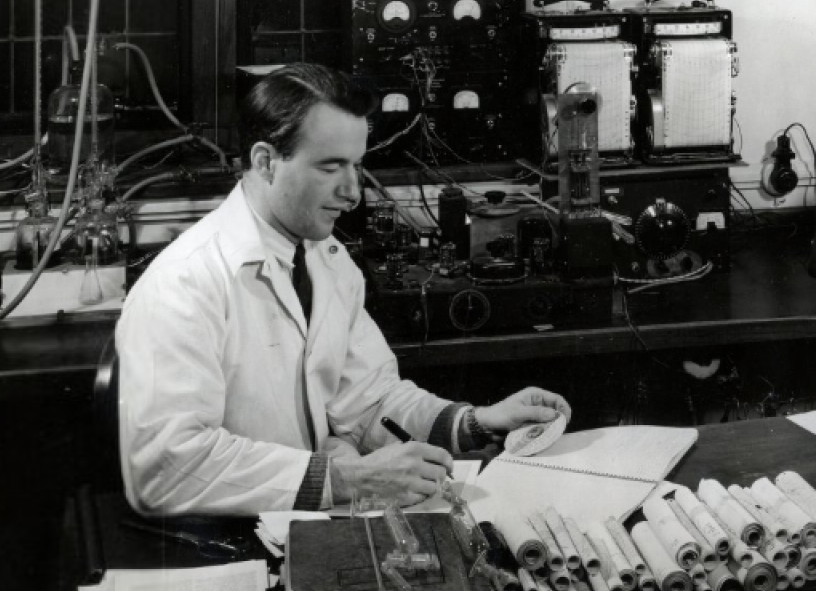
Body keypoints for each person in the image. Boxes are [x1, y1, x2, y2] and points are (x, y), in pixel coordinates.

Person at [116, 63, 570, 516]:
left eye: (356, 165)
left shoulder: (325, 258)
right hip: (220, 545)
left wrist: (474, 422)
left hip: (302, 526)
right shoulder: (185, 284)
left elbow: (369, 400)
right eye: (331, 167)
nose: (353, 192)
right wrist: (346, 479)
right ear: (265, 162)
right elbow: (163, 468)